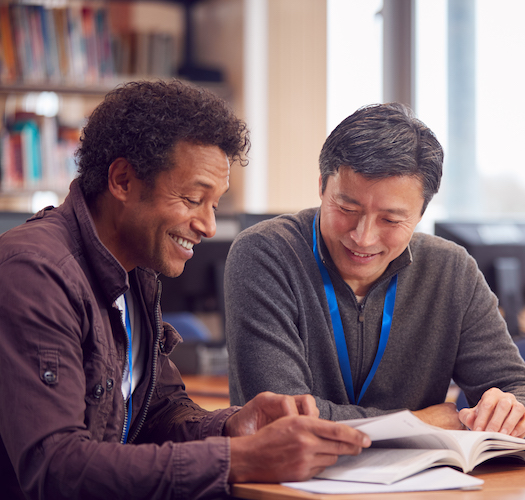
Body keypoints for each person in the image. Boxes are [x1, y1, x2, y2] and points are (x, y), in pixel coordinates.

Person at [0, 80, 371, 500]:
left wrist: (234, 426)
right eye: (194, 198)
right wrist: (241, 459)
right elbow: (56, 468)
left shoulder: (135, 274)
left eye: (214, 204)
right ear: (122, 180)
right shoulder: (35, 273)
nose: (209, 226)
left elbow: (159, 413)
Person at [225, 102, 525, 437]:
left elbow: (515, 387)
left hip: (420, 486)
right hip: (296, 483)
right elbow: (281, 417)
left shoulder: (451, 270)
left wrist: (510, 408)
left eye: (391, 219)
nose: (363, 237)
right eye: (347, 207)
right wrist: (422, 423)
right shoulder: (266, 253)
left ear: (421, 213)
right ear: (322, 186)